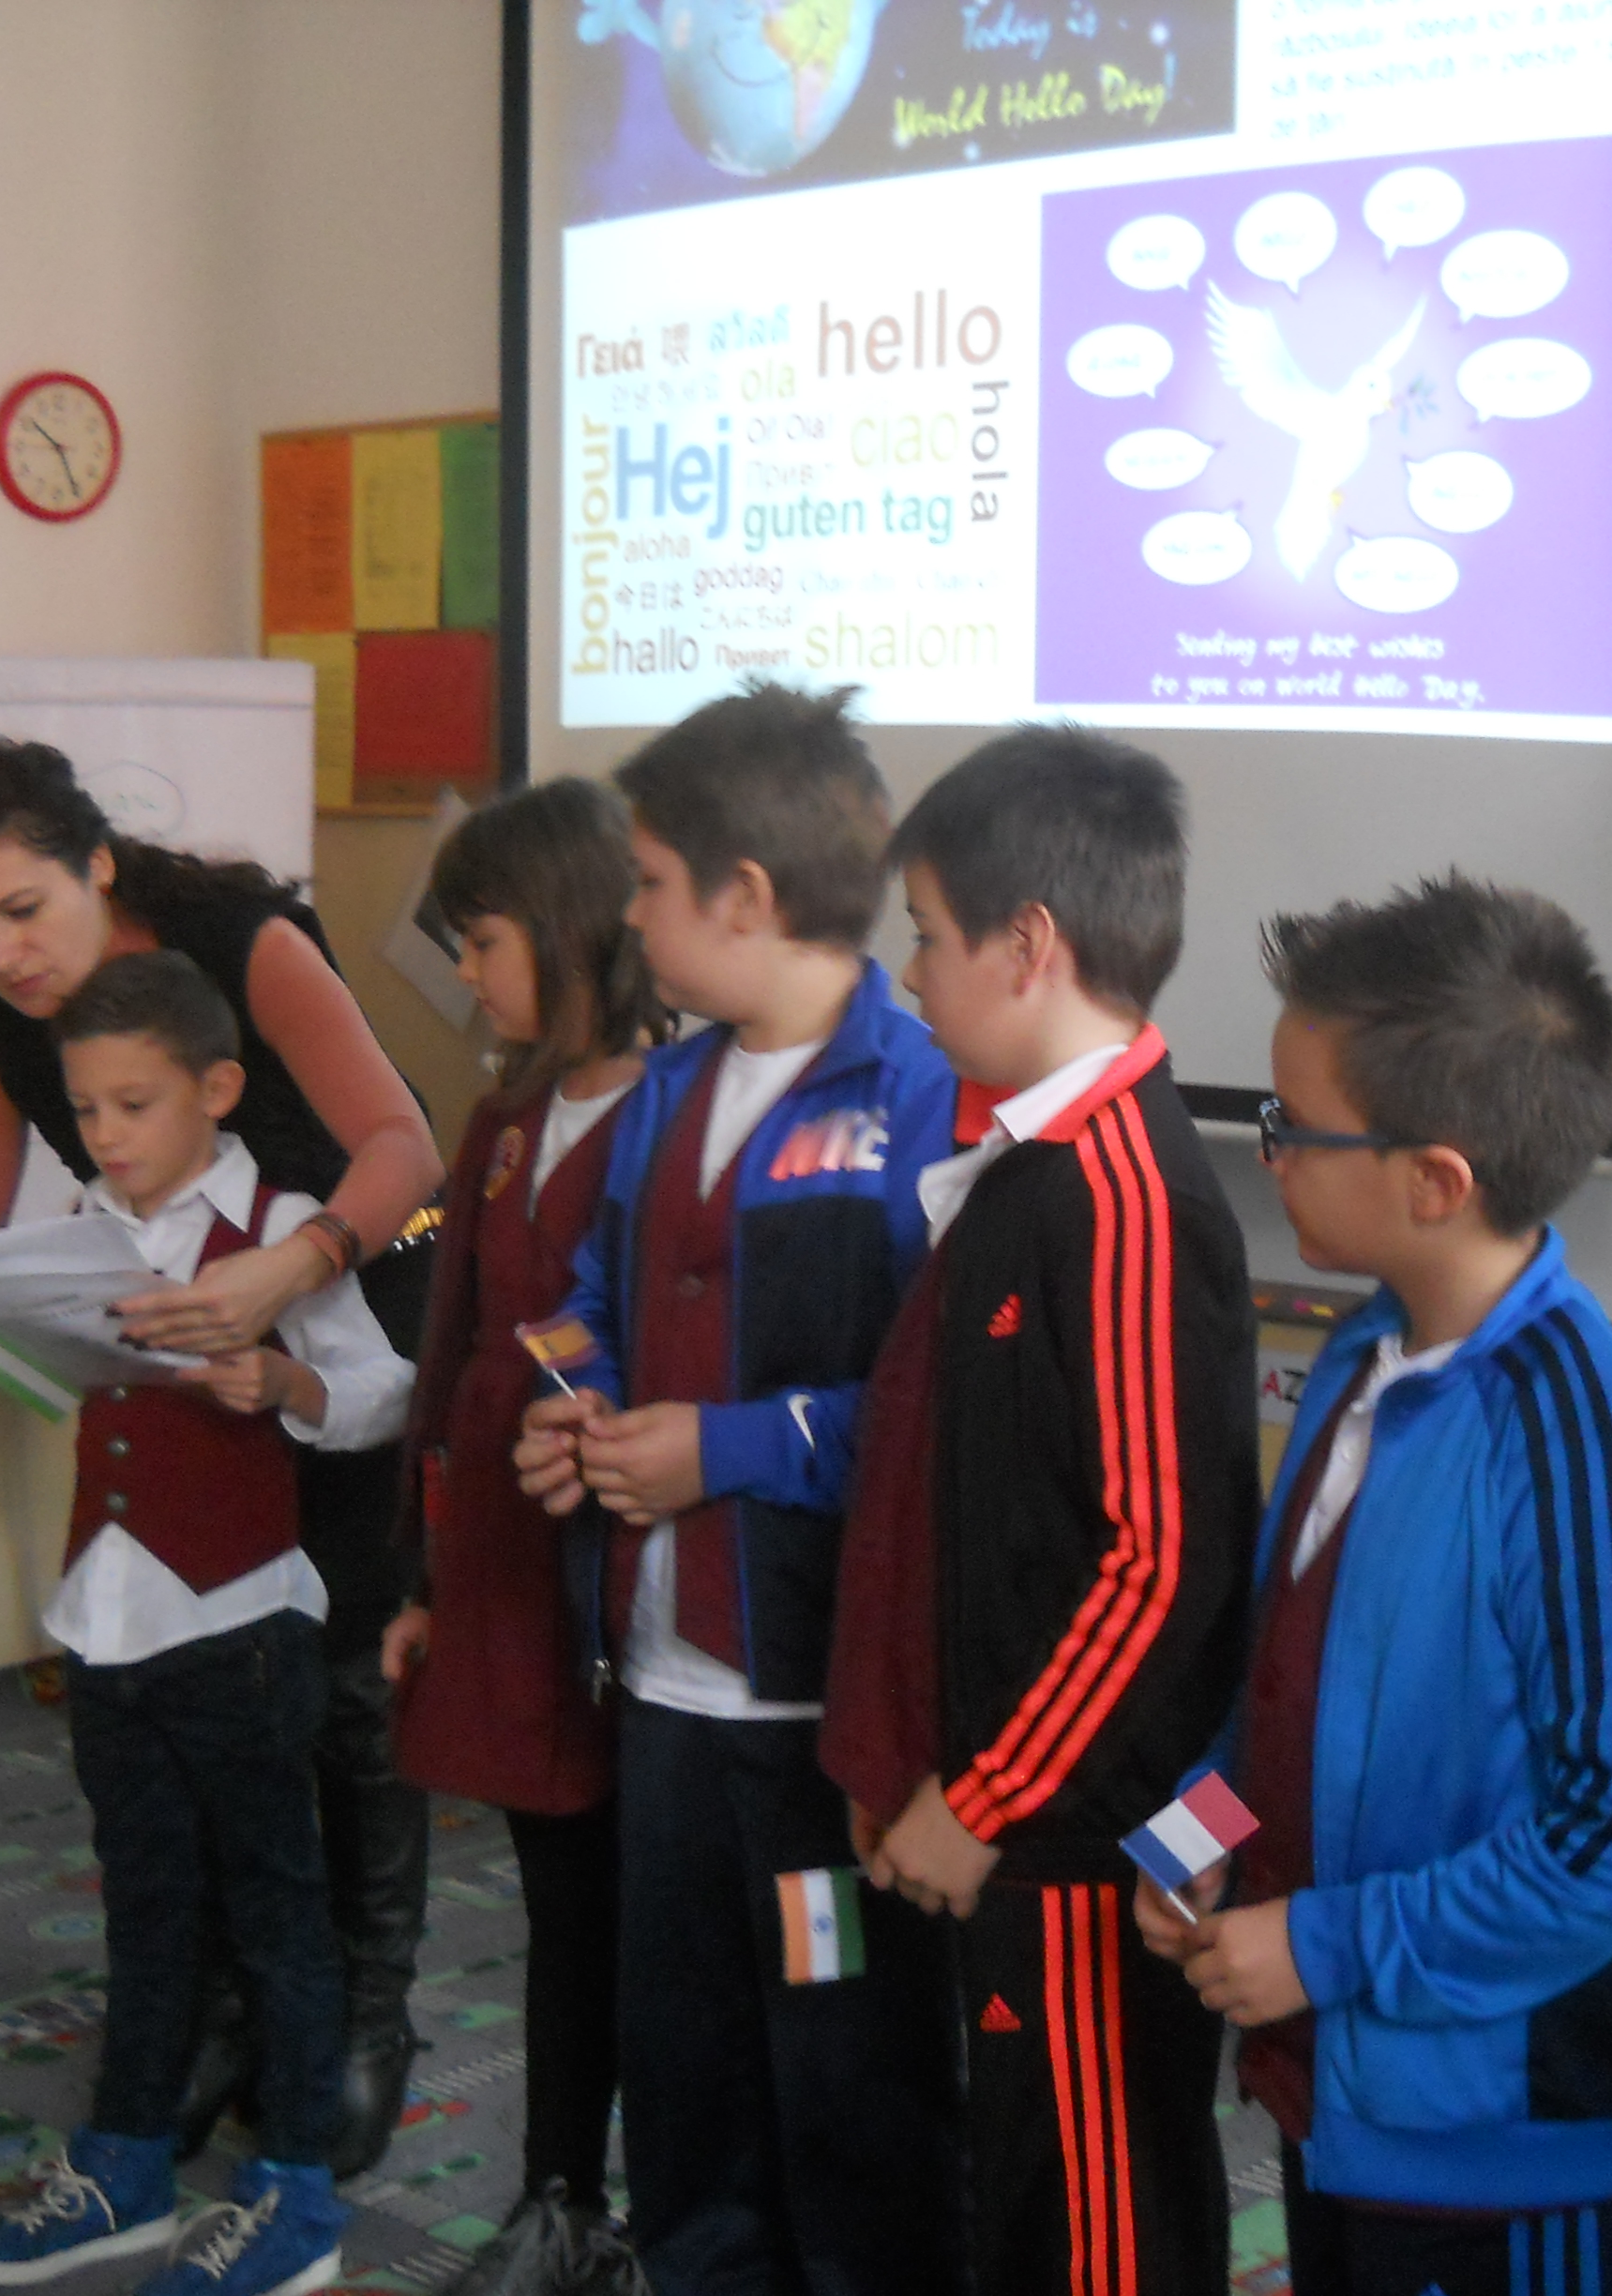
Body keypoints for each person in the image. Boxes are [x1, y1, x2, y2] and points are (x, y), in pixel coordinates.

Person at [0, 739, 444, 2174]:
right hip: (198, 1334)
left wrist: (293, 1266)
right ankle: (221, 1999)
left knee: (344, 1670)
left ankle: (367, 2010)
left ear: (97, 864)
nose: (4, 956)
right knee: (207, 1676)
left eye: (24, 909)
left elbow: (405, 1148)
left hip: (362, 1281)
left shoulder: (243, 942)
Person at [1137, 874, 1612, 2296]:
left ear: (1435, 1182)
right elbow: (1286, 1681)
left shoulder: (1578, 1447)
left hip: (1511, 2139)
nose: (1268, 1152)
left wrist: (1325, 1946)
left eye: (1292, 1125)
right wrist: (1192, 1838)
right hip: (1351, 2086)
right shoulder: (1363, 1355)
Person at [510, 683, 962, 2295]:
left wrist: (728, 1448)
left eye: (646, 884)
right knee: (685, 2060)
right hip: (663, 1693)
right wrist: (574, 1405)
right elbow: (590, 1300)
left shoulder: (918, 1098)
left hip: (815, 1720)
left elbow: (928, 1417)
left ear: (746, 896)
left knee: (839, 2070)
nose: (628, 917)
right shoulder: (670, 1091)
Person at [818, 726, 1256, 2296]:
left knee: (1096, 2220)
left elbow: (1160, 1562)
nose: (911, 975)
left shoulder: (1124, 1197)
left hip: (1069, 1837)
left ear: (1029, 944)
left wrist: (984, 1796)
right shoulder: (1034, 1161)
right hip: (1007, 1811)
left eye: (930, 936)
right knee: (1022, 2192)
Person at [0, 953, 406, 2296]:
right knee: (144, 1909)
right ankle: (127, 2166)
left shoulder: (283, 1223)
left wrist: (283, 1382)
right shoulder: (84, 1221)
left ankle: (297, 2192)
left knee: (277, 1912)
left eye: (133, 1105)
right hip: (106, 1622)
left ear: (218, 1090)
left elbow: (385, 1389)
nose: (106, 1135)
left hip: (239, 1626)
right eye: (87, 1109)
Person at [378, 780, 657, 2295]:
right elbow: (449, 1362)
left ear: (567, 929)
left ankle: (664, 2208)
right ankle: (560, 2193)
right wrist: (423, 1580)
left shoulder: (680, 1113)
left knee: (651, 1908)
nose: (469, 974)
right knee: (561, 1901)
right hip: (505, 1567)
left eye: (483, 941)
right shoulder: (499, 1121)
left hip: (631, 1574)